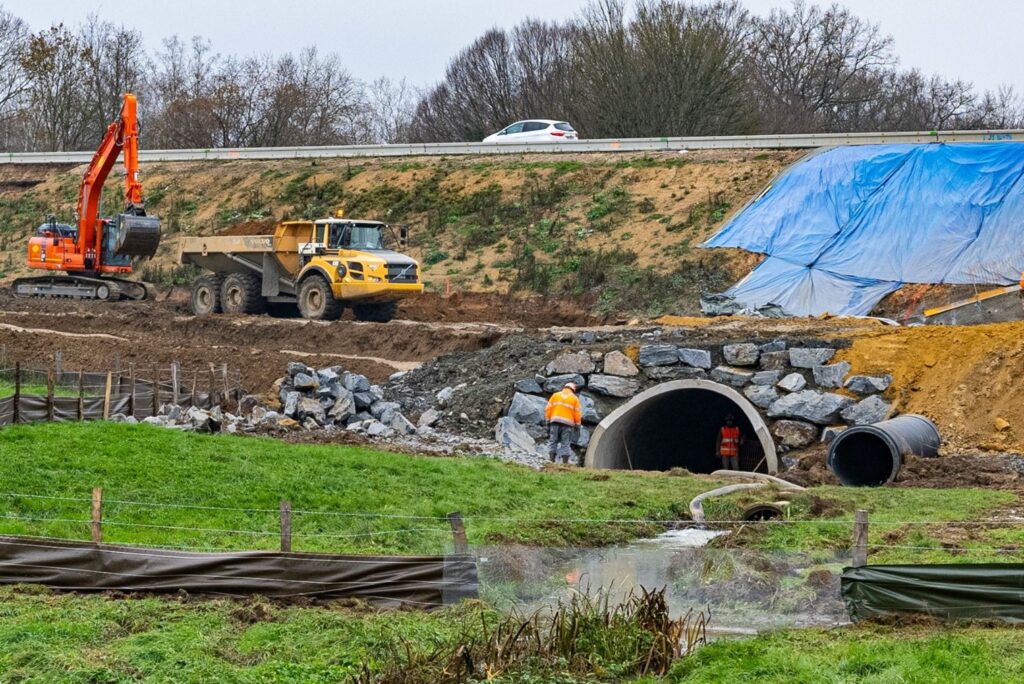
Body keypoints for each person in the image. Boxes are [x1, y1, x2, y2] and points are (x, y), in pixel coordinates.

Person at [545, 382, 582, 464]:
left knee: (553, 440)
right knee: (565, 443)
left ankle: (551, 460)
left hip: (554, 422)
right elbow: (577, 414)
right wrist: (577, 425)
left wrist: (547, 421)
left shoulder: (555, 395)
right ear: (573, 390)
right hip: (567, 424)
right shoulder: (574, 399)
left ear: (564, 387)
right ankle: (565, 463)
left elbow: (548, 409)